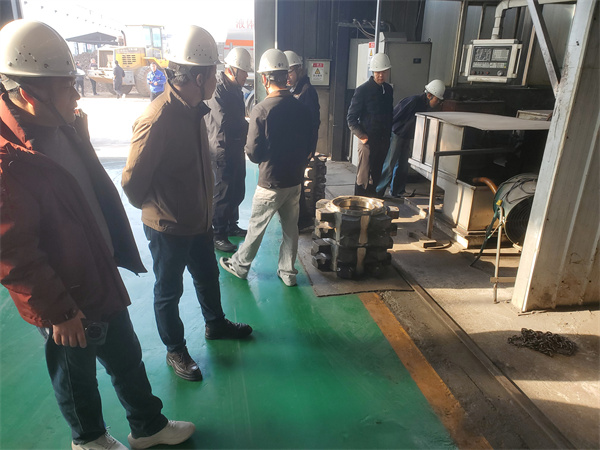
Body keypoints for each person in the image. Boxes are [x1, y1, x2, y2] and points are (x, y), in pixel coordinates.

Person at [0, 20, 195, 450]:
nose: (77, 94)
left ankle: (147, 426)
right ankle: (89, 440)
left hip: (96, 272)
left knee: (127, 356)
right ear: (30, 94)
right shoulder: (8, 160)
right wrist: (59, 312)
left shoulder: (62, 126)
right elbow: (13, 253)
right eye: (67, 85)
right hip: (64, 296)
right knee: (76, 373)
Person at [122, 25, 252, 383]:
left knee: (207, 275)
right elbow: (132, 183)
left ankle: (215, 324)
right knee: (169, 291)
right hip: (168, 226)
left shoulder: (194, 108)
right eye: (213, 72)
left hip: (198, 219)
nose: (217, 79)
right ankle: (175, 349)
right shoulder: (158, 118)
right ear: (198, 77)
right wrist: (162, 208)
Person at [219, 48, 312, 288]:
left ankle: (240, 266)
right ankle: (288, 272)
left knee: (256, 228)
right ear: (286, 76)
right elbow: (308, 142)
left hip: (271, 181)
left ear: (264, 78)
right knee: (291, 229)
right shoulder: (301, 107)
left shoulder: (261, 110)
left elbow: (252, 152)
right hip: (294, 181)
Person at [205, 47, 252, 252]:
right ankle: (218, 233)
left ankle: (232, 224)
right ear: (233, 69)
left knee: (236, 189)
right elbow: (222, 123)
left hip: (235, 147)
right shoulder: (218, 90)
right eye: (244, 72)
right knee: (222, 193)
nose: (246, 76)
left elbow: (239, 119)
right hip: (221, 149)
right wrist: (249, 128)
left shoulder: (235, 89)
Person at [377, 79, 445, 198]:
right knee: (389, 164)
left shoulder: (425, 106)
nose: (438, 102)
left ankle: (397, 191)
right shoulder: (413, 101)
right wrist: (386, 132)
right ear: (429, 95)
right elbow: (394, 115)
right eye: (437, 99)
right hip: (397, 134)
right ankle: (378, 192)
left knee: (403, 165)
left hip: (406, 136)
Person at [347, 52, 393, 197]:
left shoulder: (388, 90)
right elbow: (351, 118)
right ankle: (358, 205)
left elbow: (389, 114)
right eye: (378, 72)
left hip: (382, 141)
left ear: (388, 71)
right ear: (373, 72)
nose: (381, 75)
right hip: (367, 141)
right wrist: (362, 136)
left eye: (384, 72)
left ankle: (373, 205)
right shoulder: (363, 90)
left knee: (377, 176)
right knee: (363, 178)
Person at [284, 50, 321, 232]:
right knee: (294, 182)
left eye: (290, 72)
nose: (287, 77)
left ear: (299, 70)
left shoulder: (307, 92)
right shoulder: (294, 91)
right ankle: (301, 219)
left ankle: (302, 220)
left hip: (301, 148)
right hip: (293, 147)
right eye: (285, 73)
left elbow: (313, 123)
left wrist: (310, 148)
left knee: (296, 183)